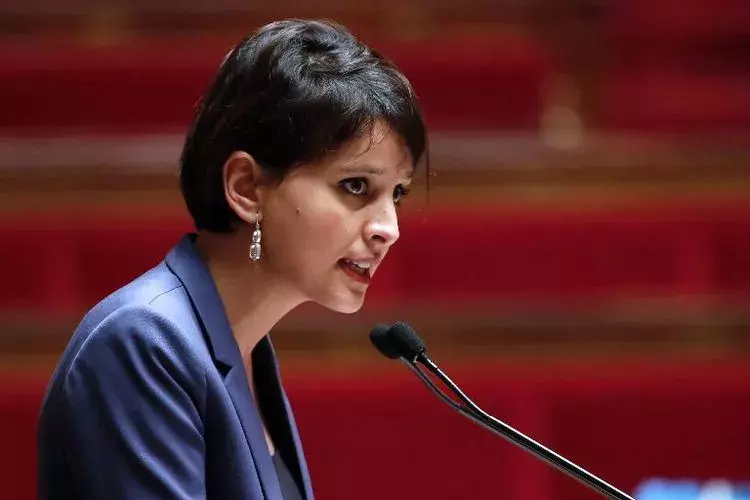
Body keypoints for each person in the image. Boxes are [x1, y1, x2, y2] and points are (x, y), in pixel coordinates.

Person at [37, 18, 427, 500]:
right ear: (246, 188)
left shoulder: (245, 348)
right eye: (355, 186)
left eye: (398, 193)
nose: (389, 227)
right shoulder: (143, 343)